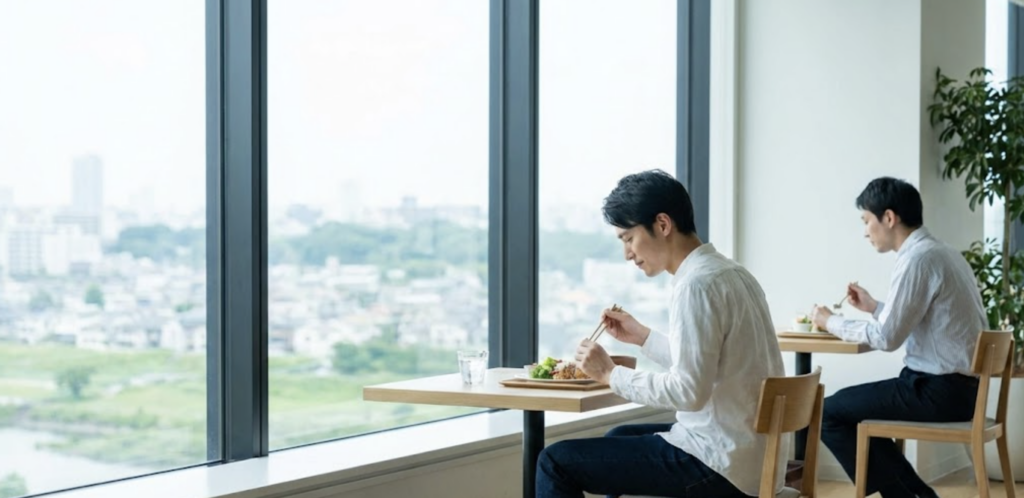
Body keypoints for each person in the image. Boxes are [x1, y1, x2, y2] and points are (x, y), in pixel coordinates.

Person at [535, 169, 785, 498]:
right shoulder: (732, 273)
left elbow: (688, 392)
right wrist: (642, 337)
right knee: (618, 437)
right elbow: (711, 364)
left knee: (554, 462)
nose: (627, 253)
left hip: (719, 465)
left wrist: (610, 373)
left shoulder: (696, 285)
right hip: (750, 457)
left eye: (628, 238)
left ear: (663, 225)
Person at [809, 177, 986, 498]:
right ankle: (915, 494)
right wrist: (874, 306)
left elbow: (887, 337)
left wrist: (829, 320)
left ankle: (910, 496)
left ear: (889, 218)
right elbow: (916, 320)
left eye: (866, 220)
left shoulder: (917, 260)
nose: (865, 231)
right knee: (848, 410)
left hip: (938, 391)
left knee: (827, 412)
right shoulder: (943, 253)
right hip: (963, 390)